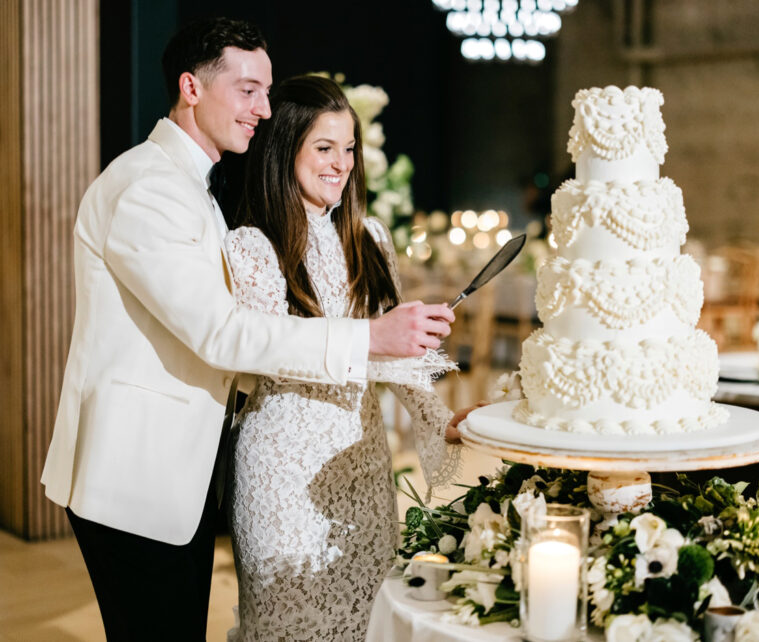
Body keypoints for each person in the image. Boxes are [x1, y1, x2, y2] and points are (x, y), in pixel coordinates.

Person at [39, 18, 454, 641]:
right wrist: (367, 338)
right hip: (138, 471)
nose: (263, 108)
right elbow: (221, 334)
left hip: (183, 471)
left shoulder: (195, 187)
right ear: (192, 87)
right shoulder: (148, 188)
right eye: (249, 90)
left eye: (265, 93)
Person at [224, 74, 470, 640]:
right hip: (282, 478)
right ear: (286, 150)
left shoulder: (372, 237)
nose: (341, 163)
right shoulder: (251, 246)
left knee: (366, 625)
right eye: (324, 148)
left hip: (362, 472)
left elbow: (396, 357)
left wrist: (441, 420)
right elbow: (269, 357)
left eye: (349, 149)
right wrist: (374, 334)